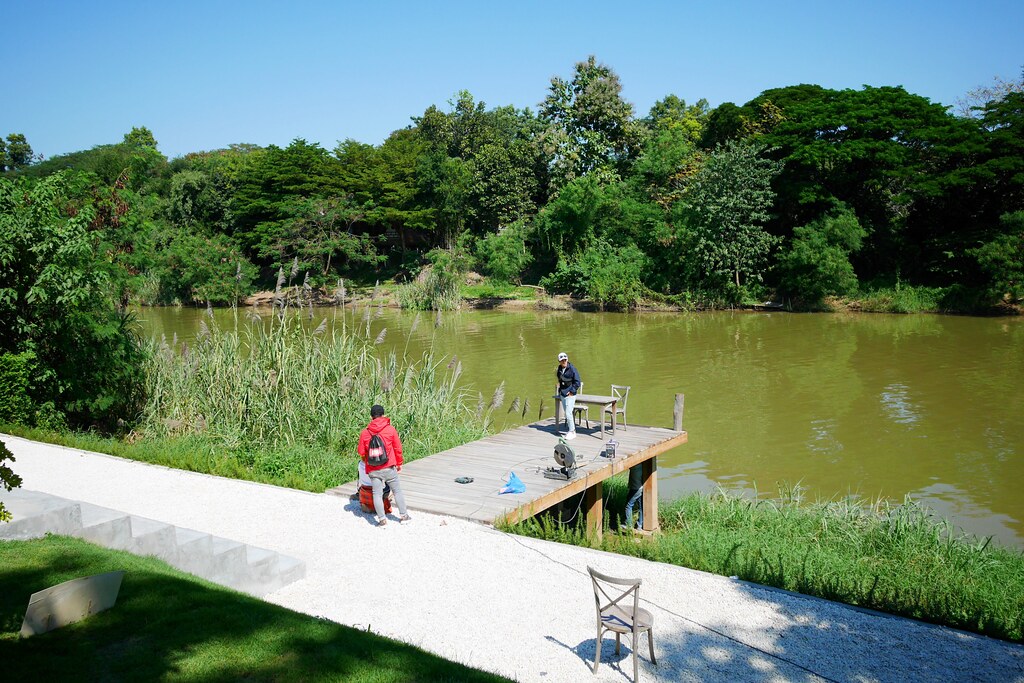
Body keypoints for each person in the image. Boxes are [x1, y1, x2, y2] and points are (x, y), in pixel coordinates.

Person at [357, 404, 411, 526]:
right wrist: (399, 463)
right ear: (383, 415)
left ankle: (382, 520)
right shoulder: (390, 429)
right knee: (397, 491)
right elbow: (398, 448)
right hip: (389, 467)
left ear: (371, 417)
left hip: (373, 469)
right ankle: (404, 516)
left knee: (377, 493)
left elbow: (361, 452)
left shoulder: (365, 433)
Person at [556, 352, 581, 440]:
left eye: (565, 360)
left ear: (567, 359)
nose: (564, 362)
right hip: (562, 394)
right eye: (562, 360)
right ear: (559, 361)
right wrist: (560, 389)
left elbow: (577, 382)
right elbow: (559, 378)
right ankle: (571, 430)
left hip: (570, 394)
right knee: (567, 413)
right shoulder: (559, 369)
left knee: (568, 413)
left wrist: (571, 391)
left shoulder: (572, 369)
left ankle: (572, 431)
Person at [624, 463, 644, 531]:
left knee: (628, 505)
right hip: (641, 488)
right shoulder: (642, 466)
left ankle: (628, 525)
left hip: (635, 489)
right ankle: (640, 525)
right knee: (641, 507)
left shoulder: (633, 465)